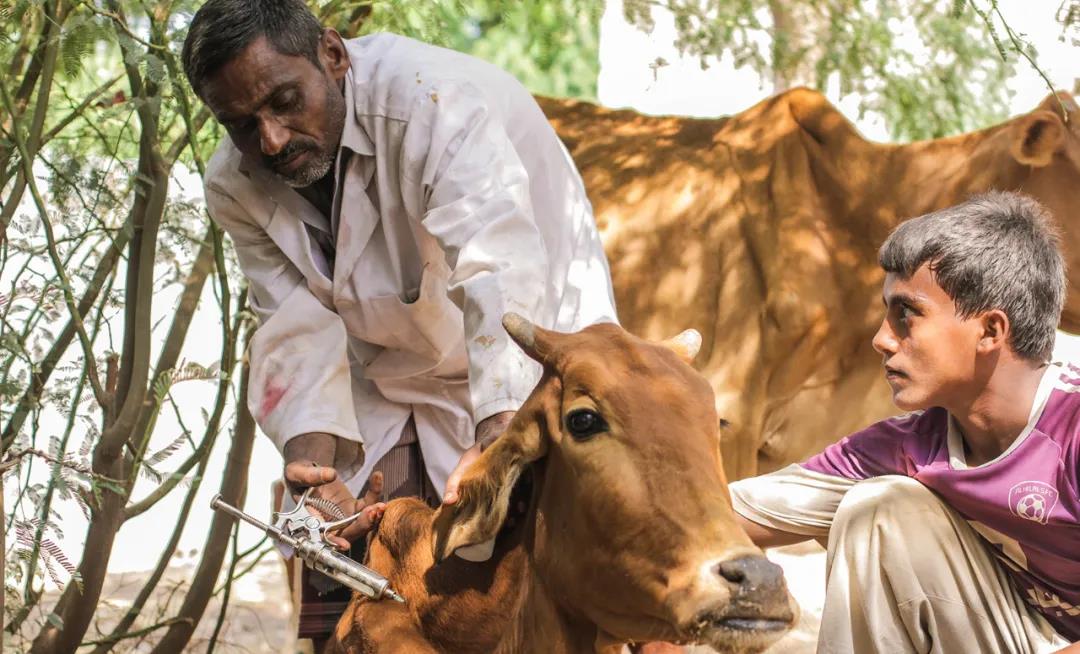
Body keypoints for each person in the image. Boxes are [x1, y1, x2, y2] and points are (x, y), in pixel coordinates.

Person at [181, 0, 617, 644]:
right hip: (386, 370)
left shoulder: (430, 103)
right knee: (342, 573)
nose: (269, 140)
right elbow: (293, 324)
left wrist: (501, 439)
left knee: (532, 592)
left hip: (524, 345)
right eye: (241, 124)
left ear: (332, 55)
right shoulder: (233, 182)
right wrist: (313, 473)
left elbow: (497, 268)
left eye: (284, 102)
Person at [730, 192, 1080, 654]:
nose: (881, 339)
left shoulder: (1071, 429)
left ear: (990, 331)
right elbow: (724, 516)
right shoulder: (911, 445)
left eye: (906, 315)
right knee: (879, 508)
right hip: (1028, 637)